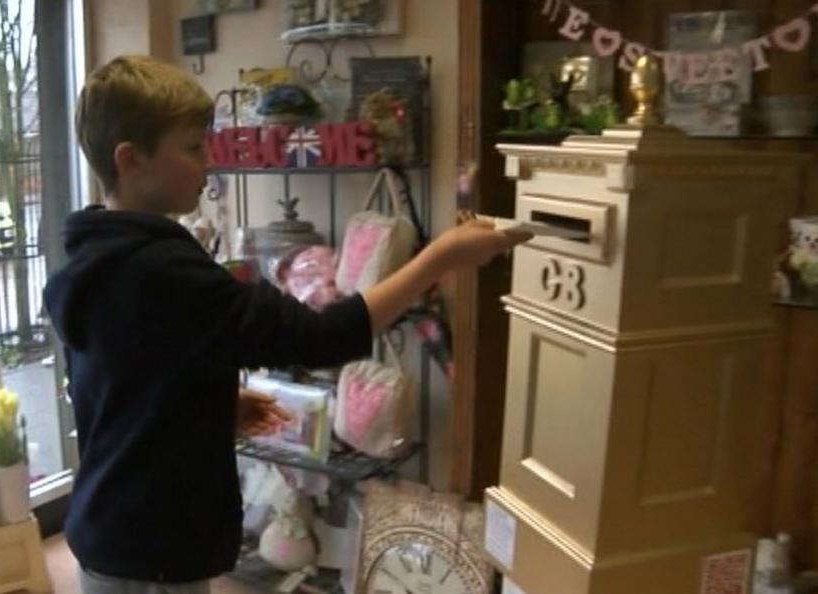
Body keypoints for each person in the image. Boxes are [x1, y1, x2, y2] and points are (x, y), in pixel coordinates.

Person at [42, 55, 531, 594]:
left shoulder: (94, 256)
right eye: (191, 148)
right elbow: (321, 336)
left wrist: (208, 404)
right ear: (131, 160)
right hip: (152, 548)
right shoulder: (165, 270)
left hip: (112, 525)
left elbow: (125, 381)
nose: (208, 164)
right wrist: (439, 259)